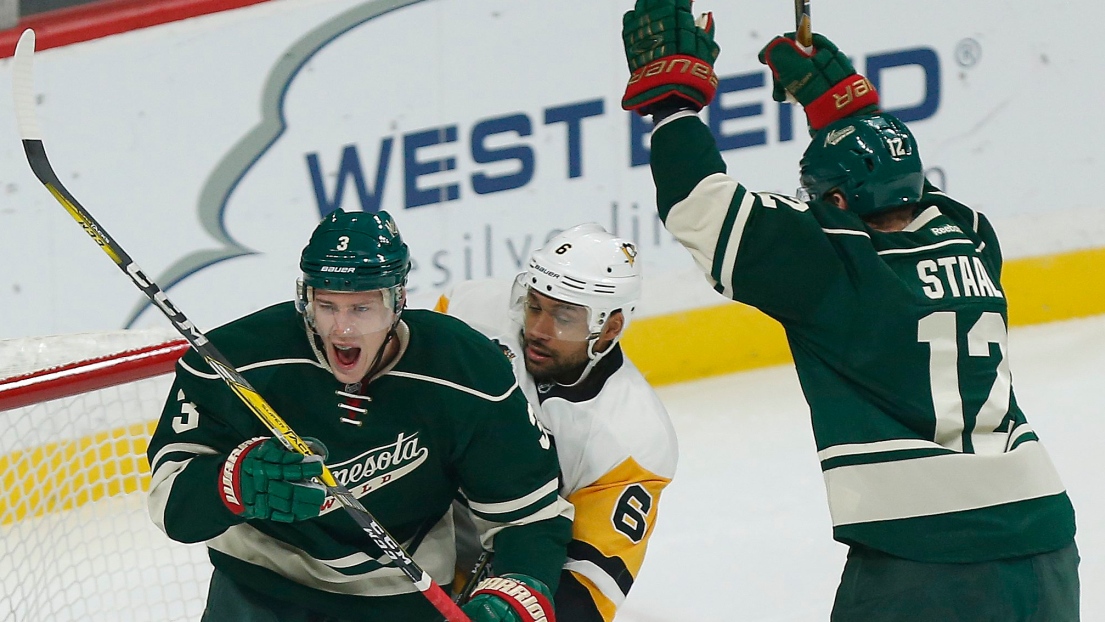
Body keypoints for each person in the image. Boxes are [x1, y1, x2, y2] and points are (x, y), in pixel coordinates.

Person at [619, 1, 1079, 620]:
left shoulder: (830, 270)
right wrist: (849, 115)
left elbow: (698, 203)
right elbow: (896, 187)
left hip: (925, 556)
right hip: (1046, 545)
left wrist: (672, 107)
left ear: (837, 198)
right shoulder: (970, 234)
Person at [146, 209, 572, 622]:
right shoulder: (235, 361)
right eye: (327, 306)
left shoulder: (466, 370)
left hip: (399, 595)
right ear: (305, 297)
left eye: (361, 309)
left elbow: (531, 517)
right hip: (261, 588)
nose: (341, 329)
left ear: (398, 300)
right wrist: (232, 482)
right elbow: (172, 511)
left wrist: (517, 588)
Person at [436, 223, 678, 622]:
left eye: (564, 317)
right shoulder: (468, 312)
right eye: (534, 305)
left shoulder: (634, 439)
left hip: (492, 583)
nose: (537, 330)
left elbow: (587, 591)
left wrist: (512, 614)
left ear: (610, 327)